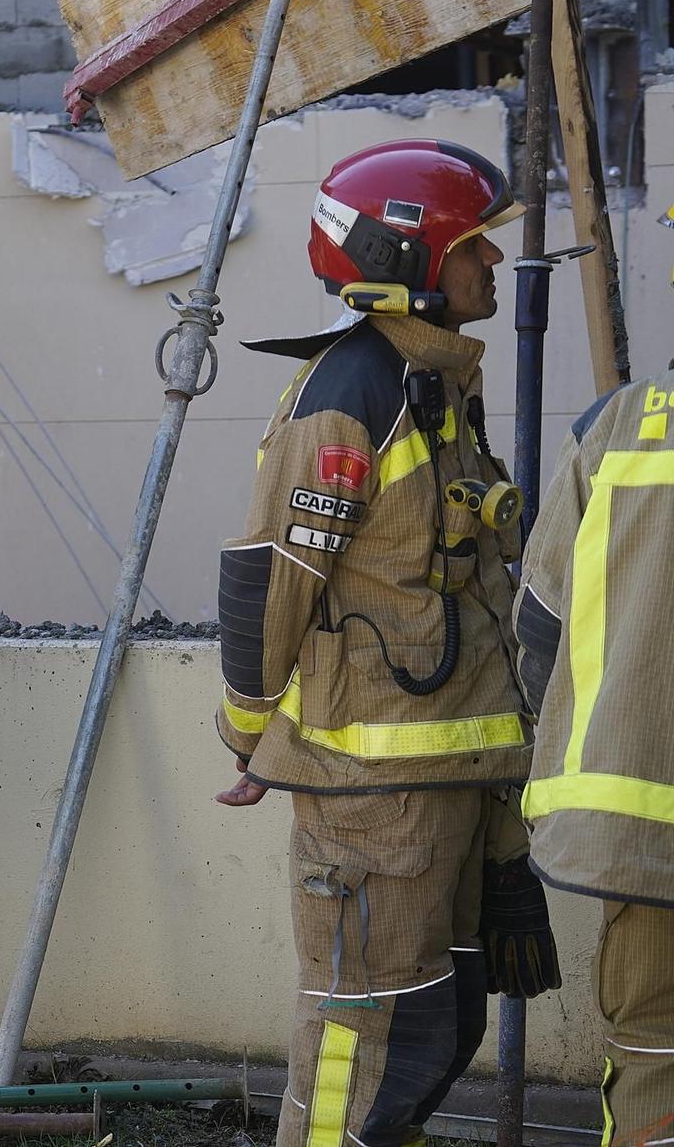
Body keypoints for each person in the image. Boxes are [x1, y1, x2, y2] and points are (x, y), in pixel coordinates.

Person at [212, 141, 559, 1143]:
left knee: (430, 1032)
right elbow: (271, 575)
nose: (492, 266)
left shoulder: (435, 385)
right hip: (368, 807)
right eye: (472, 248)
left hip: (447, 784)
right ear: (405, 258)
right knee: (356, 1039)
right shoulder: (348, 392)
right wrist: (244, 736)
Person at [514, 372, 674, 1141]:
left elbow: (539, 625)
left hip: (643, 834)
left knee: (653, 1052)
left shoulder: (618, 422)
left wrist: (600, 728)